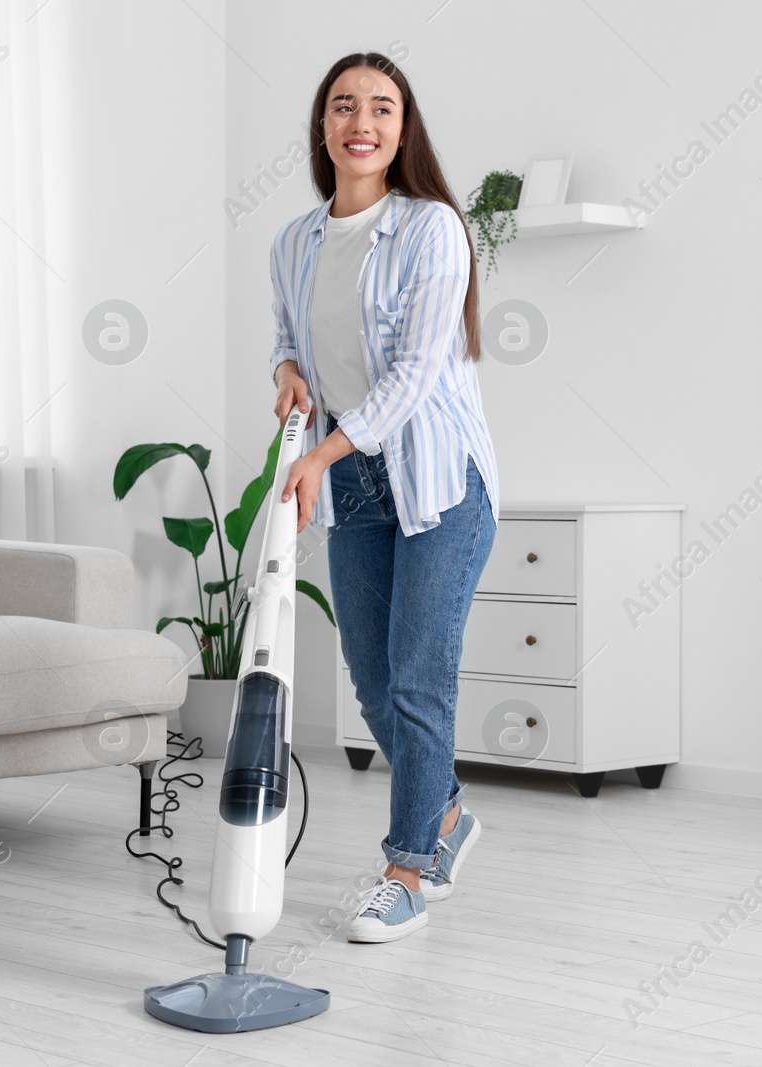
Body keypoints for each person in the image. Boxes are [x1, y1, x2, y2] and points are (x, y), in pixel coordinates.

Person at [270, 51, 500, 943]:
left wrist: (320, 452)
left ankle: (407, 868)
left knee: (418, 681)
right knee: (372, 683)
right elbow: (289, 341)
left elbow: (412, 377)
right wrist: (286, 372)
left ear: (402, 130)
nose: (360, 121)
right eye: (342, 106)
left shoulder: (434, 228)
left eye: (380, 107)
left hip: (440, 480)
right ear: (323, 128)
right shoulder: (293, 241)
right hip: (358, 485)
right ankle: (446, 810)